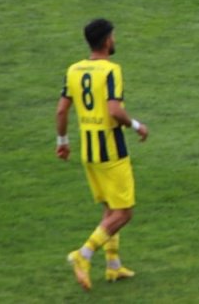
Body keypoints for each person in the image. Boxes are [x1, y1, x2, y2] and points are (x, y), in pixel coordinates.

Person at [56, 18, 150, 291]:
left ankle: (113, 266)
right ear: (107, 40)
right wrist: (137, 125)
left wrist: (62, 141)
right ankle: (83, 255)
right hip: (111, 149)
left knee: (110, 207)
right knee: (124, 212)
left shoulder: (74, 70)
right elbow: (114, 111)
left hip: (88, 149)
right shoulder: (111, 70)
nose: (115, 40)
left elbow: (61, 110)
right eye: (114, 36)